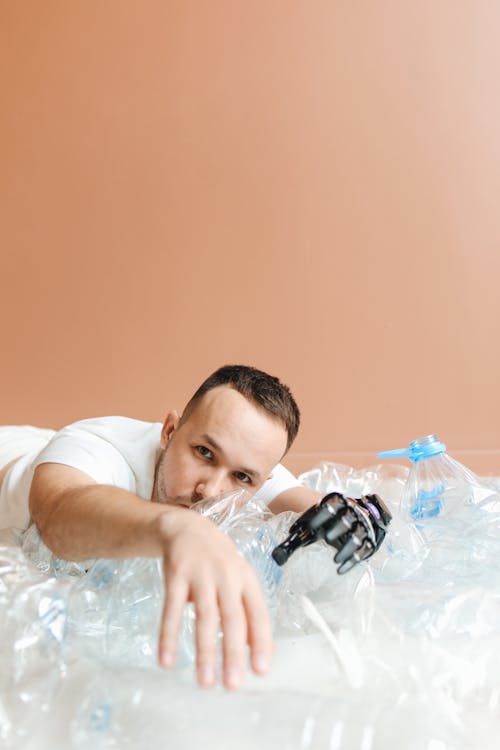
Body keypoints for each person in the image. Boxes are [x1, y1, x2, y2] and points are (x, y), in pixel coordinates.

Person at [0, 364, 320, 690]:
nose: (209, 492)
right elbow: (58, 516)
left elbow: (318, 507)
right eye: (204, 453)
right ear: (169, 430)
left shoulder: (245, 456)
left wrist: (356, 515)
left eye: (241, 477)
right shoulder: (100, 449)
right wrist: (175, 526)